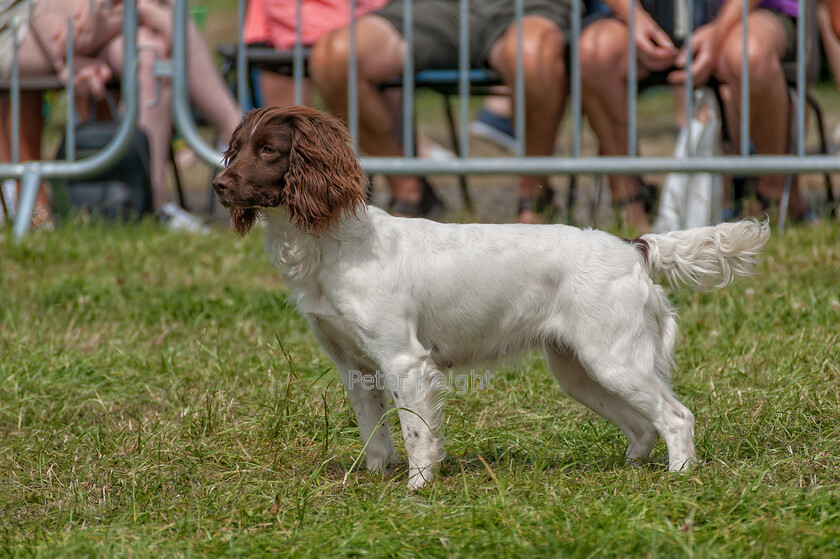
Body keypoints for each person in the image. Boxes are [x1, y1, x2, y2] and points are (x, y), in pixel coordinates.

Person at [309, 0, 572, 222]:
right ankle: (410, 193)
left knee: (532, 53)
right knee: (333, 56)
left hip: (529, 6)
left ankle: (535, 200)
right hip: (432, 8)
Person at [2, 0, 242, 229]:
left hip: (86, 26)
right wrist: (66, 62)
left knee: (150, 53)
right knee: (157, 13)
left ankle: (150, 203)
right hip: (24, 28)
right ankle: (233, 129)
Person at [580, 0, 807, 231]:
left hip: (754, 13)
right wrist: (635, 16)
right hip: (650, 17)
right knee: (594, 51)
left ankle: (772, 202)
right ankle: (630, 209)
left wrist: (718, 32)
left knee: (748, 54)